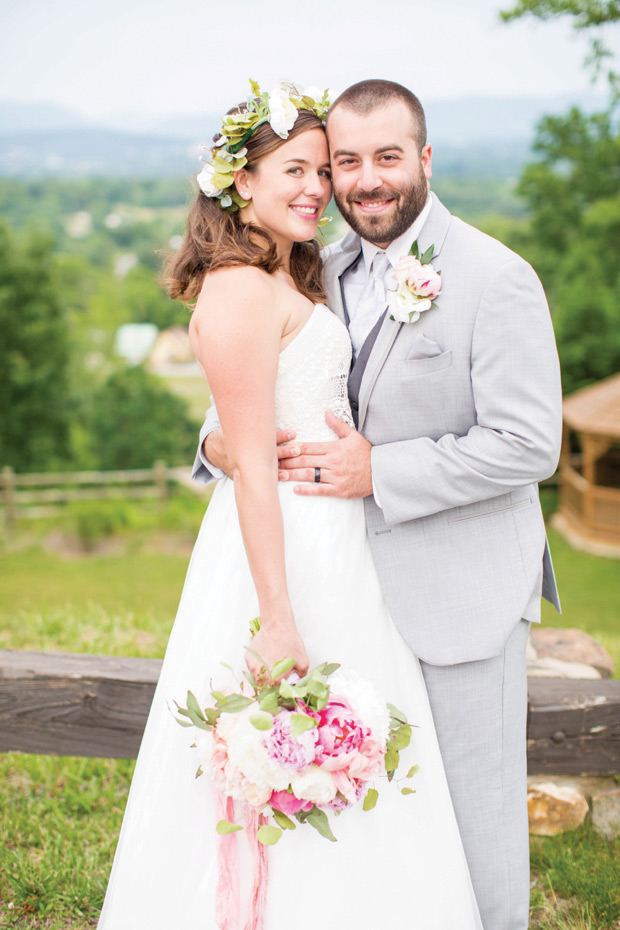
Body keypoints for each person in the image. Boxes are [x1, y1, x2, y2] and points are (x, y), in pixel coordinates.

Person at [98, 82, 483, 930]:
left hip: (339, 543)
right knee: (289, 739)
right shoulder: (239, 288)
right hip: (284, 552)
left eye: (322, 170)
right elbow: (252, 465)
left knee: (350, 742)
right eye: (294, 171)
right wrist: (275, 614)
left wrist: (228, 445)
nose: (317, 188)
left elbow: (249, 426)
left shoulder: (288, 273)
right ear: (241, 183)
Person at [194, 80, 563, 930]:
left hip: (459, 594)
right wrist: (216, 446)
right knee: (391, 830)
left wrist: (378, 472)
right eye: (343, 162)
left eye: (386, 158)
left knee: (477, 836)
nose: (361, 182)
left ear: (424, 159)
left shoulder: (495, 277)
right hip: (350, 593)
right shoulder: (324, 266)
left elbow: (527, 446)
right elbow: (258, 387)